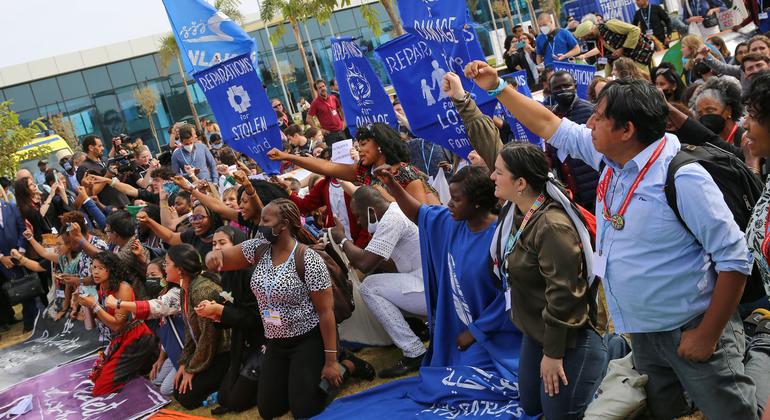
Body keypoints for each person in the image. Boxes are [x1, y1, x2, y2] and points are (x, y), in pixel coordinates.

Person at [464, 59, 757, 418]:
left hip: (690, 327)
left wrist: (708, 335)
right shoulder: (610, 159)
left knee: (732, 411)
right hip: (644, 333)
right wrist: (497, 87)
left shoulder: (682, 178)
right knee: (665, 410)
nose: (589, 123)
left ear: (626, 129)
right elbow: (548, 124)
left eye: (599, 117)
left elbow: (735, 260)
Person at [205, 199, 364, 419]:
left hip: (307, 339)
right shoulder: (257, 249)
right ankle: (300, 381)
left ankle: (348, 365)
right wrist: (212, 256)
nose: (260, 225)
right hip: (276, 341)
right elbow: (223, 259)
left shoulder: (308, 259)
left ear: (284, 225)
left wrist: (331, 362)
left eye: (266, 221)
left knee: (303, 410)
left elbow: (326, 313)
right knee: (270, 410)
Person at [331, 186, 425, 377]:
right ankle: (420, 329)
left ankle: (414, 351)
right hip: (425, 282)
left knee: (369, 288)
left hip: (428, 288)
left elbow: (365, 263)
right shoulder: (394, 212)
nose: (358, 221)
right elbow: (388, 264)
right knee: (375, 282)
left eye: (358, 216)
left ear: (371, 211)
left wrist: (341, 240)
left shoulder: (392, 219)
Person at [268, 123, 440, 205]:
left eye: (364, 144)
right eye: (358, 145)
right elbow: (324, 166)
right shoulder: (365, 171)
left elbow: (421, 215)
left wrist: (383, 194)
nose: (359, 150)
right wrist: (287, 156)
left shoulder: (404, 172)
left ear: (380, 145)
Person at [194, 226, 263, 415]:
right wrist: (213, 312)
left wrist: (220, 311)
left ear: (238, 247)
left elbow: (257, 318)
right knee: (225, 398)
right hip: (244, 344)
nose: (216, 249)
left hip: (265, 343)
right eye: (214, 244)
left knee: (235, 401)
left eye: (222, 243)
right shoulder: (227, 274)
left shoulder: (252, 273)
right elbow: (226, 305)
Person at [77, 252, 157, 396]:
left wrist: (95, 306)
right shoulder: (102, 286)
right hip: (121, 338)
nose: (95, 271)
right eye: (93, 267)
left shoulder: (123, 288)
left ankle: (145, 363)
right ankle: (141, 367)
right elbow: (107, 319)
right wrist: (89, 311)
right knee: (96, 377)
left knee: (100, 389)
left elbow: (117, 325)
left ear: (111, 269)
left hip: (137, 338)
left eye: (100, 268)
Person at [164, 244, 231, 409]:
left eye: (166, 264)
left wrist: (191, 369)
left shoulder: (201, 290)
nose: (163, 268)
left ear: (179, 269)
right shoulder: (184, 289)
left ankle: (228, 383)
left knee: (187, 398)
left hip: (224, 352)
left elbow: (209, 337)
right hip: (209, 352)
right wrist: (183, 363)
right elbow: (190, 333)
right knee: (178, 391)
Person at [103, 258, 182, 397]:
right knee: (155, 381)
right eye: (147, 276)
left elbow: (151, 308)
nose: (149, 279)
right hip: (173, 351)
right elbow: (167, 331)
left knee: (166, 390)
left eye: (154, 275)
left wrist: (118, 304)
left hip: (187, 353)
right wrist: (161, 359)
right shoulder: (162, 294)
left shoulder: (176, 293)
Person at [547, 71, 600, 212]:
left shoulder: (590, 112)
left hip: (595, 192)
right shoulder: (551, 117)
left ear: (575, 86)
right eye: (557, 88)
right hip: (572, 195)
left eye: (566, 85)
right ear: (551, 91)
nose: (563, 90)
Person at [573, 14, 653, 76]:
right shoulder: (599, 41)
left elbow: (635, 30)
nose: (586, 40)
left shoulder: (610, 25)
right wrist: (607, 77)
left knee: (651, 85)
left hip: (641, 58)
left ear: (590, 32)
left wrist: (623, 49)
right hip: (632, 66)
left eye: (585, 37)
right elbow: (609, 60)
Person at [137, 202, 224, 258]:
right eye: (193, 218)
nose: (195, 222)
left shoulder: (222, 239)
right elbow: (170, 237)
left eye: (200, 217)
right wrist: (148, 221)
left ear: (213, 218)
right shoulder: (192, 234)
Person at [0, 198, 30, 332]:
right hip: (3, 261)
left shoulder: (12, 207)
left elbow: (22, 230)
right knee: (9, 292)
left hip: (20, 256)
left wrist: (20, 252)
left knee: (27, 289)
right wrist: (1, 257)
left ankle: (31, 320)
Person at [76, 135, 130, 208]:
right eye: (100, 146)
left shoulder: (105, 160)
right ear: (91, 148)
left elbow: (117, 181)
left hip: (124, 201)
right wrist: (106, 176)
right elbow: (89, 193)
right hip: (109, 208)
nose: (103, 148)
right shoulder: (84, 167)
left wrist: (125, 172)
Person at [690, 76, 745, 145]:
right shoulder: (705, 143)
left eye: (710, 110)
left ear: (728, 110)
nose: (704, 117)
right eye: (700, 114)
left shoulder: (745, 140)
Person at [307, 80, 346, 145]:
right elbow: (308, 119)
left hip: (341, 130)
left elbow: (340, 109)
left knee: (347, 152)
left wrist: (344, 122)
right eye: (320, 88)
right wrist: (319, 130)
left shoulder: (333, 98)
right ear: (317, 90)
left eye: (323, 86)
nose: (322, 88)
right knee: (334, 154)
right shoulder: (315, 103)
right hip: (330, 134)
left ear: (326, 87)